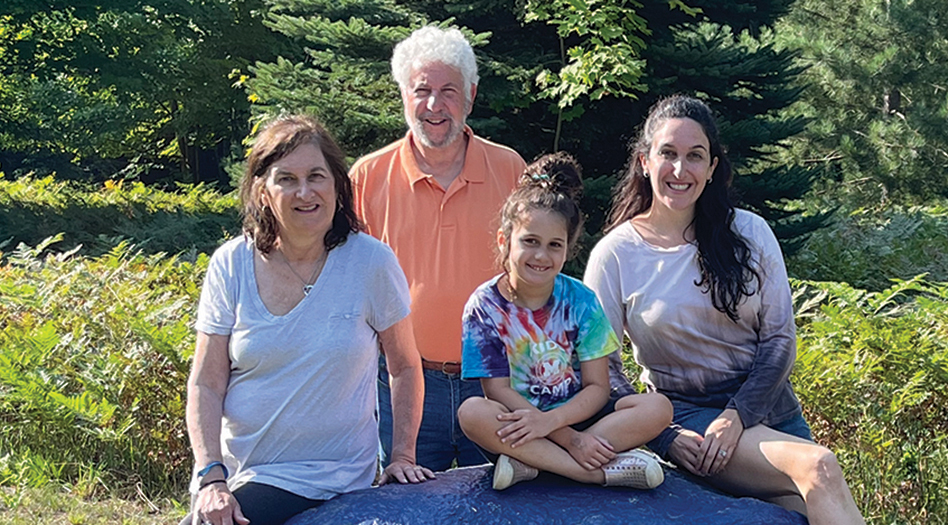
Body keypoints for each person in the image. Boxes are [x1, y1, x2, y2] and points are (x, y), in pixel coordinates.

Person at [583, 96, 866, 524]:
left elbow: (779, 340)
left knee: (807, 510)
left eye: (695, 156)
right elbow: (600, 369)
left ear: (713, 167)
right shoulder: (616, 254)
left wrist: (738, 415)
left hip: (771, 413)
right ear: (644, 161)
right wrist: (663, 436)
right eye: (668, 154)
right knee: (819, 466)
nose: (681, 170)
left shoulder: (750, 232)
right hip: (690, 421)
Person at [184, 115, 432, 525]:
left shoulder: (370, 261)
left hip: (334, 476)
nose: (304, 192)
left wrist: (402, 455)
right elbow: (207, 382)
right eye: (286, 179)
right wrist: (211, 476)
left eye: (316, 176)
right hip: (241, 475)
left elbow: (404, 364)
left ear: (337, 185)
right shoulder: (231, 264)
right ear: (263, 191)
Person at [350, 26, 526, 471]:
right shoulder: (366, 178)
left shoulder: (510, 170)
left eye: (448, 90)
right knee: (404, 508)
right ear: (403, 95)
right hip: (401, 386)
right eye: (421, 90)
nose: (434, 105)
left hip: (494, 384)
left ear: (471, 93)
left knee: (501, 507)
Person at [457, 153, 674, 491]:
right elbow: (496, 391)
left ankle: (534, 463)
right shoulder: (484, 307)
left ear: (569, 249)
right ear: (505, 240)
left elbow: (598, 388)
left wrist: (561, 426)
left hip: (578, 416)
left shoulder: (581, 301)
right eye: (530, 241)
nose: (541, 256)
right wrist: (567, 440)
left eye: (554, 245)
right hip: (520, 423)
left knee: (657, 407)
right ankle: (589, 472)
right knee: (472, 412)